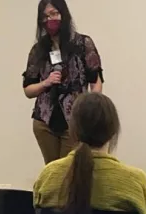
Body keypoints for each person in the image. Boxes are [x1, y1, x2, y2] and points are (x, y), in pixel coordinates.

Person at [23, 0, 103, 165]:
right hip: (44, 121)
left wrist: (91, 112)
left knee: (70, 169)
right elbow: (28, 90)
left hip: (74, 119)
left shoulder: (82, 44)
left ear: (63, 14)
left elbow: (95, 81)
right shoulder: (38, 50)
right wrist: (46, 82)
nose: (49, 20)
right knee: (52, 170)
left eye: (53, 14)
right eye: (44, 16)